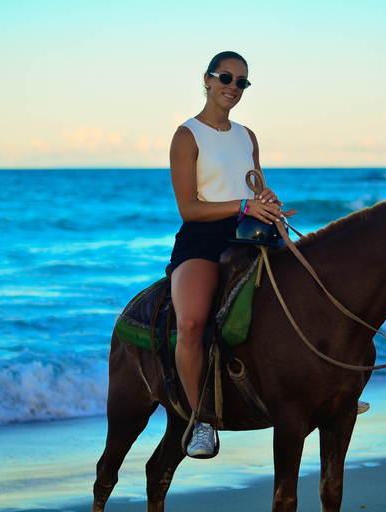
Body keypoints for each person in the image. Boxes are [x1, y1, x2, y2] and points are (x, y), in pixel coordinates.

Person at [168, 51, 284, 458]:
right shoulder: (187, 135)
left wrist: (266, 201)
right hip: (203, 237)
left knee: (308, 292)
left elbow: (256, 187)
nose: (233, 87)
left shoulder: (247, 135)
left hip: (249, 232)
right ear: (208, 79)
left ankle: (322, 390)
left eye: (241, 82)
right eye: (226, 78)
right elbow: (189, 208)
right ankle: (201, 420)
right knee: (191, 322)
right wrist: (243, 206)